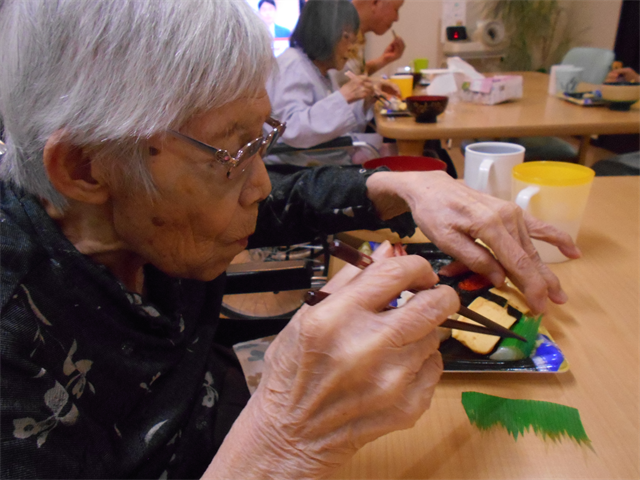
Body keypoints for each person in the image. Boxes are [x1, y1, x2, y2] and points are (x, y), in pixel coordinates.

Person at [0, 1, 579, 479]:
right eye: (232, 152)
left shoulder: (145, 216)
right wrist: (281, 442)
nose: (259, 183)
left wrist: (402, 183)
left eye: (263, 138)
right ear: (85, 168)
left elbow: (282, 199)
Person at [266, 0, 397, 165]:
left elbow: (336, 122)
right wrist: (344, 97)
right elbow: (291, 130)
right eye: (346, 37)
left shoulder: (319, 69)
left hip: (321, 158)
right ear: (325, 33)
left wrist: (364, 101)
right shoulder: (292, 65)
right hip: (296, 169)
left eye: (353, 38)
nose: (351, 47)